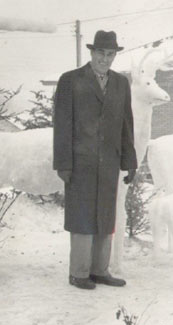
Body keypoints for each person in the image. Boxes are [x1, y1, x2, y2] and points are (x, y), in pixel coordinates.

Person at [53, 30, 138, 289]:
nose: (105, 59)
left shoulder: (121, 83)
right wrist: (63, 163)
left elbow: (126, 123)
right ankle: (79, 273)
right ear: (92, 53)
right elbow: (62, 124)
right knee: (82, 216)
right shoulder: (70, 80)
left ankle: (100, 271)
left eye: (110, 54)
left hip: (109, 162)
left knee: (105, 215)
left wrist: (129, 160)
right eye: (101, 53)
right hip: (81, 162)